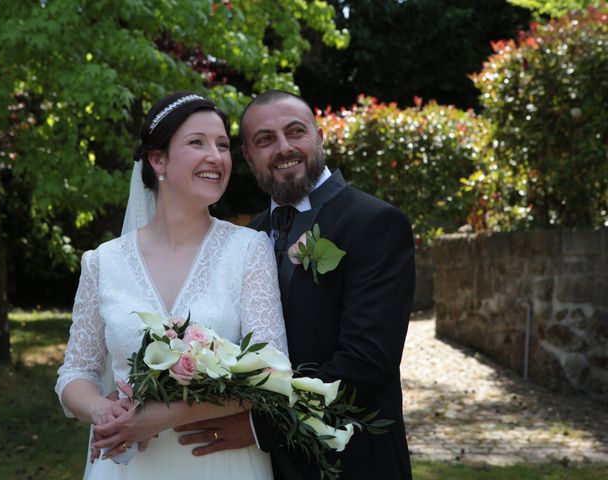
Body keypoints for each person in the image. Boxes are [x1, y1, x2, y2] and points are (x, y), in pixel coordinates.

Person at [174, 90, 415, 479]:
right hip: (265, 468)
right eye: (265, 140)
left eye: (295, 132)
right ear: (248, 157)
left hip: (352, 460)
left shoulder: (374, 223)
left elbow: (367, 361)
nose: (284, 148)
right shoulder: (250, 234)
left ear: (318, 137)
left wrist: (259, 427)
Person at [55, 92, 288, 480]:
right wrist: (100, 409)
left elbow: (272, 372)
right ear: (157, 159)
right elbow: (75, 372)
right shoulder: (102, 262)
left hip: (218, 463)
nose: (216, 156)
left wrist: (157, 418)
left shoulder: (249, 250)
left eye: (223, 145)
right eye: (197, 142)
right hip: (126, 466)